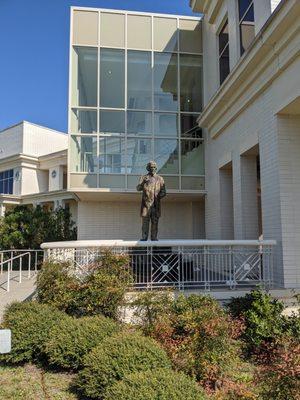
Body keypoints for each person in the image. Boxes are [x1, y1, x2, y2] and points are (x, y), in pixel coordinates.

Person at [136, 161, 166, 241]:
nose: (152, 168)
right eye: (151, 167)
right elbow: (138, 188)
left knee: (155, 223)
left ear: (156, 168)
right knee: (145, 223)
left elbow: (164, 192)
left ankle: (154, 238)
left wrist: (157, 196)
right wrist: (143, 183)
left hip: (155, 205)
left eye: (154, 167)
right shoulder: (143, 177)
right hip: (146, 205)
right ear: (148, 168)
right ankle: (144, 238)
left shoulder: (160, 179)